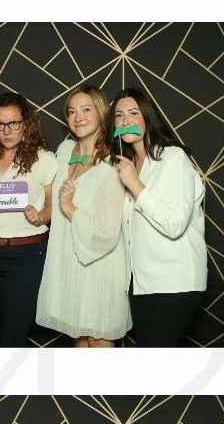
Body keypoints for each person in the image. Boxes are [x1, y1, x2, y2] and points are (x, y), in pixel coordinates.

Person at [112, 85, 207, 346]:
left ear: (148, 117)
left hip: (174, 283)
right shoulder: (128, 166)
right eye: (119, 115)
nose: (126, 121)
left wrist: (135, 185)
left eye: (133, 113)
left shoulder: (173, 158)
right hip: (140, 284)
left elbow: (175, 224)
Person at [36, 84, 130, 347]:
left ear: (101, 113)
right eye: (72, 111)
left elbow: (107, 234)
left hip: (100, 265)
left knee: (98, 340)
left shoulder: (112, 163)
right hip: (68, 261)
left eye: (86, 110)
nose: (78, 117)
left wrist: (70, 209)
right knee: (78, 336)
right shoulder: (65, 151)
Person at [0, 92, 57, 346]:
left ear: (26, 123)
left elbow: (53, 206)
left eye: (14, 123)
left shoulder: (44, 160)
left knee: (11, 338)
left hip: (25, 256)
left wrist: (39, 216)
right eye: (0, 124)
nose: (7, 130)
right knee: (0, 333)